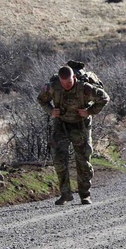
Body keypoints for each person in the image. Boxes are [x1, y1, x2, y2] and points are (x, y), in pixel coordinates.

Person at [38, 64, 109, 205]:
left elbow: (104, 98)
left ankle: (85, 195)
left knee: (83, 160)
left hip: (80, 125)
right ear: (59, 80)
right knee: (59, 159)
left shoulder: (85, 88)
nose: (67, 86)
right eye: (64, 83)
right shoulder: (54, 86)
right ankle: (65, 194)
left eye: (69, 82)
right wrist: (51, 111)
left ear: (74, 78)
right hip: (61, 125)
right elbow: (41, 99)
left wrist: (89, 111)